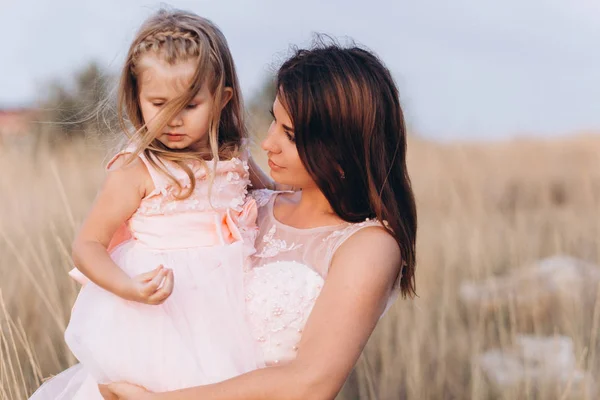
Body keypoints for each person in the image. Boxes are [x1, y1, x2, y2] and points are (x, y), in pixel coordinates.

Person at [103, 40, 418, 400]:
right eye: (274, 120)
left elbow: (311, 383)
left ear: (343, 146)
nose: (267, 144)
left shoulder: (369, 247)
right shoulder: (248, 202)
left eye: (291, 135)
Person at [30, 9, 266, 400]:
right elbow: (87, 244)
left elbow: (275, 197)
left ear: (222, 100)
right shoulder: (139, 168)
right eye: (159, 104)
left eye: (189, 106)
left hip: (225, 318)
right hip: (157, 317)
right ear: (136, 98)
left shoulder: (234, 157)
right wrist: (126, 286)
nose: (173, 121)